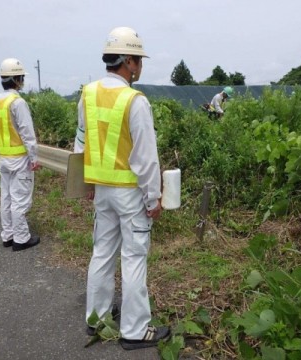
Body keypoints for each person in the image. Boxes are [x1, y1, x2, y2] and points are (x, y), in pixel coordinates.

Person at [73, 26, 170, 350]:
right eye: (139, 60)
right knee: (133, 257)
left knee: (101, 253)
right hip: (129, 194)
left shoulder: (87, 93)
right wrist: (153, 198)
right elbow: (145, 159)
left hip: (102, 191)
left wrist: (85, 182)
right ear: (128, 61)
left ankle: (96, 319)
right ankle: (134, 329)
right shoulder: (134, 100)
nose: (140, 66)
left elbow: (81, 142)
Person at [0, 58, 41, 252]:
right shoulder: (17, 102)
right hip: (19, 158)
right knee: (20, 199)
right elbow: (27, 133)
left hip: (4, 157)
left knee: (6, 197)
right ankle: (21, 238)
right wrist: (34, 158)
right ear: (18, 79)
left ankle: (8, 235)